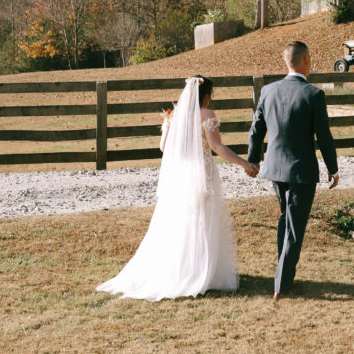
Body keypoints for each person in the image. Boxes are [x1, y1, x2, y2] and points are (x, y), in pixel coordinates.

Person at [97, 76, 259, 300]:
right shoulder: (207, 115)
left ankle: (181, 268)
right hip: (202, 173)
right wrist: (244, 163)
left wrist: (166, 126)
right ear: (206, 94)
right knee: (202, 219)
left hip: (181, 176)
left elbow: (163, 147)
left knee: (181, 221)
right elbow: (216, 146)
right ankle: (199, 271)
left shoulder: (174, 118)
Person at [248, 41, 339, 301]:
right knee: (294, 227)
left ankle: (283, 274)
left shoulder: (268, 91)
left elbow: (256, 130)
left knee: (286, 221)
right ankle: (282, 285)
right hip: (302, 171)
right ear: (306, 60)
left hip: (275, 169)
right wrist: (333, 168)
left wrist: (254, 161)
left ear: (286, 61)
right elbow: (324, 136)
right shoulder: (313, 94)